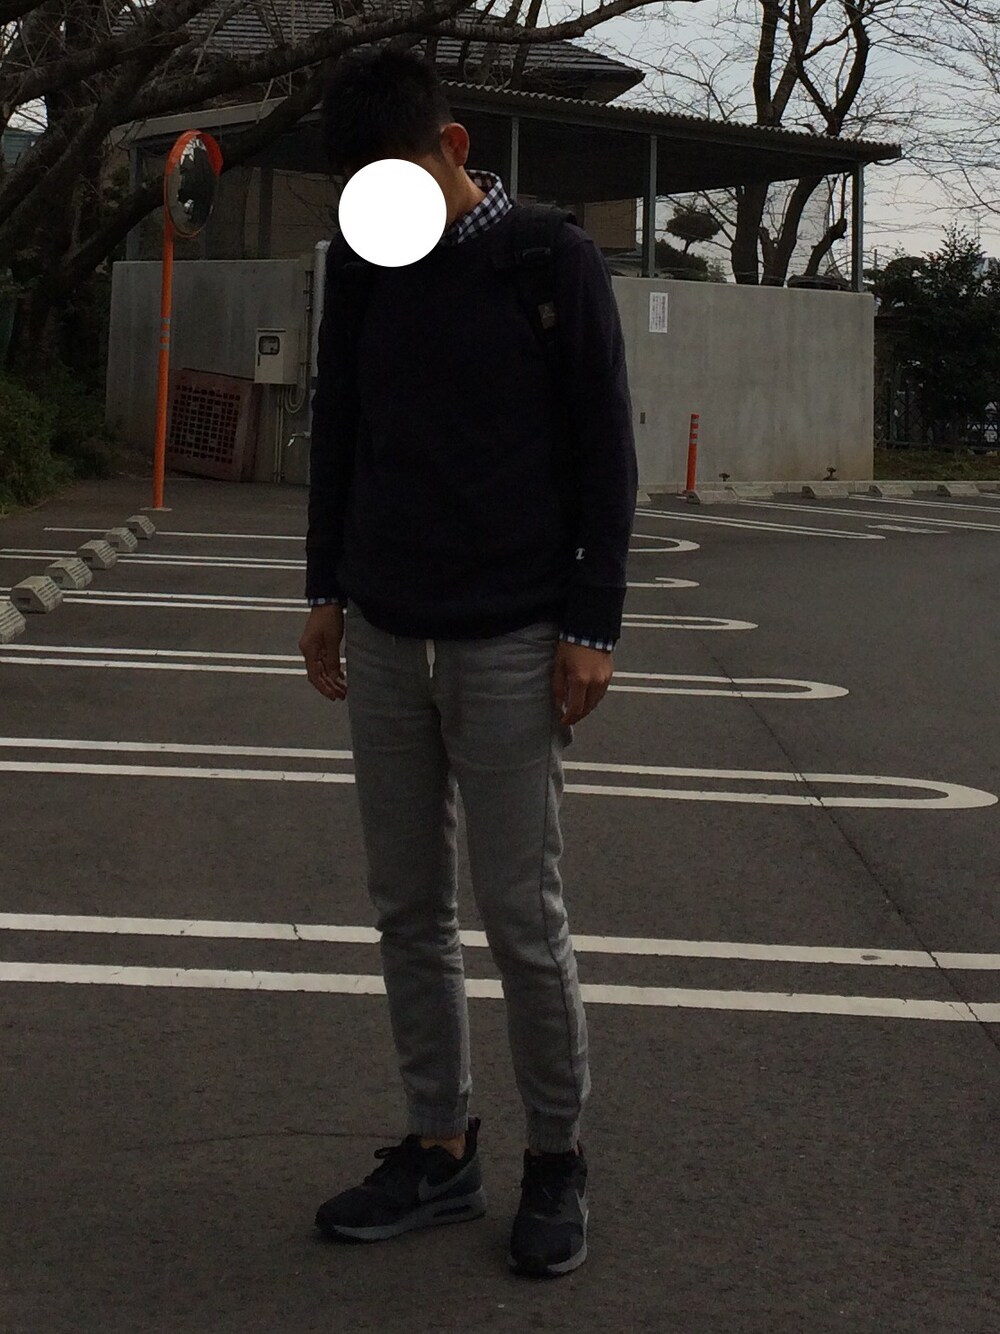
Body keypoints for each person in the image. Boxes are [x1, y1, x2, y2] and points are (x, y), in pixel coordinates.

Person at [299, 42, 637, 1278]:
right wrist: (324, 588)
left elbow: (606, 448)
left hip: (512, 635)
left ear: (452, 148)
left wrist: (592, 624)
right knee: (407, 907)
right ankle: (439, 1145)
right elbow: (340, 426)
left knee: (520, 916)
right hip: (387, 628)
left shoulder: (548, 259)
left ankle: (556, 1155)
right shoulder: (364, 264)